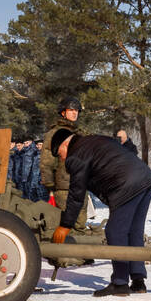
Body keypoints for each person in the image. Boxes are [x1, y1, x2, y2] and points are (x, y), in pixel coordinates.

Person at [50, 128, 151, 296]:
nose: (62, 158)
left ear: (65, 144)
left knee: (115, 232)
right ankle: (138, 280)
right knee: (134, 231)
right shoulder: (95, 140)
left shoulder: (76, 155)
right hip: (144, 178)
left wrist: (65, 225)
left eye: (60, 154)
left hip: (126, 185)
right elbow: (124, 152)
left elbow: (76, 194)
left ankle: (120, 282)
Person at [40, 97, 88, 232]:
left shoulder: (79, 133)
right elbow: (46, 161)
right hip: (63, 186)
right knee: (66, 224)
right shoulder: (54, 133)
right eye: (71, 110)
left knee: (80, 223)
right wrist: (50, 185)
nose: (75, 113)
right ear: (63, 112)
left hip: (80, 183)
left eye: (77, 110)